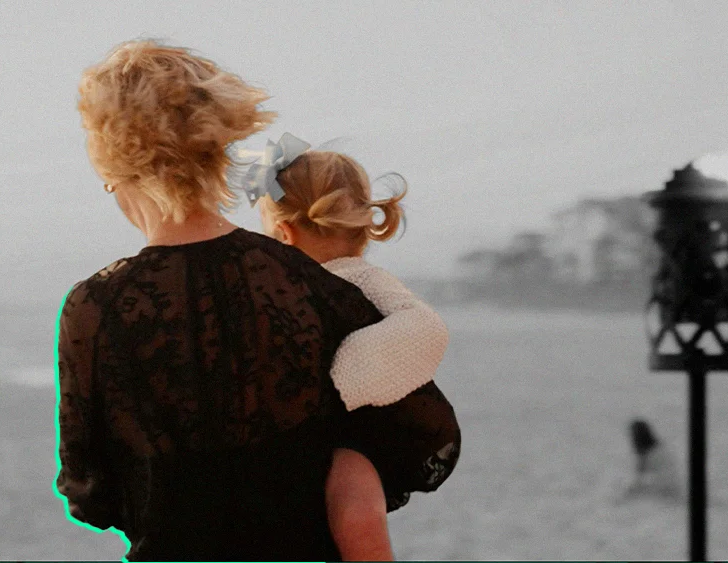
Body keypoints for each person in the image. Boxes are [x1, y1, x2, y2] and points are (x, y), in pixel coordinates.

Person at [55, 39, 460, 561]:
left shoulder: (95, 307)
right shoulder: (309, 281)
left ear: (117, 166)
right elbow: (419, 433)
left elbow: (90, 492)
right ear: (216, 147)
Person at [245, 138, 457, 559]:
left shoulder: (363, 280)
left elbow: (425, 327)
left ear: (283, 235)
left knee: (356, 509)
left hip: (360, 428)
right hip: (299, 434)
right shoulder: (282, 291)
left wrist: (338, 380)